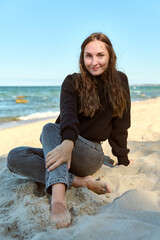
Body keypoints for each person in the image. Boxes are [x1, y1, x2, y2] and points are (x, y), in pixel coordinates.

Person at [7, 32, 131, 229]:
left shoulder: (120, 80)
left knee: (49, 128)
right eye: (88, 56)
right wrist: (66, 143)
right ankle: (82, 182)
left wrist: (122, 158)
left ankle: (58, 198)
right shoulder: (72, 81)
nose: (94, 62)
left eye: (100, 55)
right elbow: (68, 118)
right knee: (15, 157)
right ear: (82, 58)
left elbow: (121, 126)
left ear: (110, 56)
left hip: (89, 154)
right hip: (64, 147)